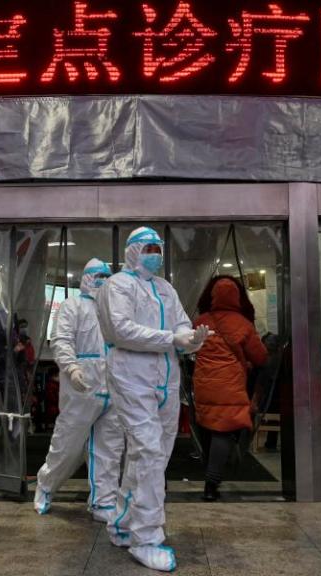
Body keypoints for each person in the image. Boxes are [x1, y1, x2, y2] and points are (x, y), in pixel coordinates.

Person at [97, 227, 210, 572]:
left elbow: (181, 327)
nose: (155, 254)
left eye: (159, 248)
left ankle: (121, 522)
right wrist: (173, 338)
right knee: (147, 449)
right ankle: (146, 538)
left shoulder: (165, 288)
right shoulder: (116, 285)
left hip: (165, 375)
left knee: (154, 454)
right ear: (132, 251)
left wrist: (194, 340)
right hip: (131, 373)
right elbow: (122, 330)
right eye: (149, 247)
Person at [34, 258, 124, 522]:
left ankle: (103, 502)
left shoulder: (116, 310)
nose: (103, 282)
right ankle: (46, 485)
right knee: (67, 444)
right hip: (82, 387)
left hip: (114, 387)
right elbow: (61, 340)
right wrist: (72, 368)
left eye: (107, 277)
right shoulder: (72, 306)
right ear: (85, 278)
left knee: (109, 449)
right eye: (98, 277)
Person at [192, 276, 268, 502]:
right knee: (223, 431)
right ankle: (211, 484)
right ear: (237, 297)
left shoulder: (201, 321)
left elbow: (190, 347)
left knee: (208, 426)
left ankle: (210, 472)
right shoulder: (243, 324)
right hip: (230, 386)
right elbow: (260, 356)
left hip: (204, 384)